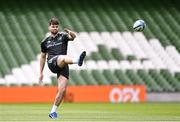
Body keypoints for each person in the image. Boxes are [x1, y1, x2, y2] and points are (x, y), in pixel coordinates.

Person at [39, 17, 86, 119]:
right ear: (49, 27)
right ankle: (77, 61)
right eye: (53, 26)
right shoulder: (45, 42)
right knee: (62, 57)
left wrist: (69, 31)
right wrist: (41, 72)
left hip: (63, 65)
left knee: (62, 90)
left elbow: (73, 37)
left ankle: (52, 112)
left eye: (56, 26)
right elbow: (42, 57)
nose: (55, 28)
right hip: (52, 62)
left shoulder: (63, 36)